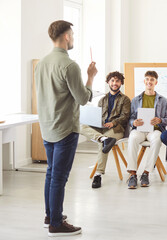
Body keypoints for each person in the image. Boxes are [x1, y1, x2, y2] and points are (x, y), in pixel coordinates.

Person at [35, 20, 97, 237]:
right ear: (67, 37)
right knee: (59, 177)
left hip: (47, 126)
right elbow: (83, 98)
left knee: (51, 173)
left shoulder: (41, 63)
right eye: (72, 34)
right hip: (65, 128)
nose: (73, 38)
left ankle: (50, 215)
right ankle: (55, 224)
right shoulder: (70, 65)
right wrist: (90, 78)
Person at [80, 71, 131, 189]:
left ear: (121, 83)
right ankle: (103, 138)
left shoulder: (125, 99)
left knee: (103, 144)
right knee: (80, 126)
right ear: (108, 82)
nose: (114, 83)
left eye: (117, 81)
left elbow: (125, 116)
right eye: (112, 80)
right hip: (101, 127)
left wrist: (112, 123)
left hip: (117, 129)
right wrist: (97, 122)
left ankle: (98, 174)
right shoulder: (102, 100)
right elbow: (98, 115)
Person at [126, 71, 167, 189]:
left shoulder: (163, 100)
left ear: (156, 82)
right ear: (144, 81)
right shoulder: (136, 100)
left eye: (152, 79)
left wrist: (160, 120)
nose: (149, 82)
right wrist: (133, 122)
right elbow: (131, 117)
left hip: (154, 131)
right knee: (132, 137)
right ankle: (132, 174)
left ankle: (146, 173)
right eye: (147, 79)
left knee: (157, 139)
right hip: (140, 130)